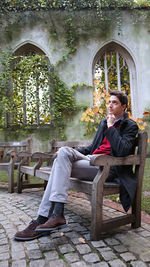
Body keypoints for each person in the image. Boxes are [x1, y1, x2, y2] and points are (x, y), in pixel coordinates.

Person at [14, 91, 138, 241]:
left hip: (107, 167)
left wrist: (111, 127)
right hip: (91, 160)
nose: (110, 105)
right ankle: (53, 216)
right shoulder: (103, 123)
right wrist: (73, 152)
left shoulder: (130, 125)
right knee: (63, 155)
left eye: (115, 102)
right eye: (109, 102)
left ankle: (44, 218)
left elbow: (123, 150)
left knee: (60, 164)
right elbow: (92, 147)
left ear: (124, 106)